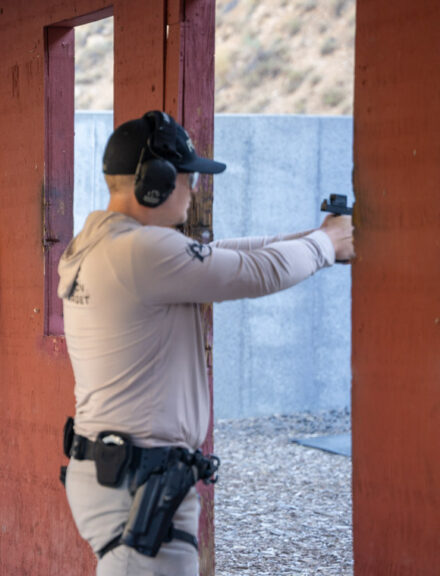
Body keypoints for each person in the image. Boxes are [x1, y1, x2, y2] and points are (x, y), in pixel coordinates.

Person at [58, 111, 354, 575]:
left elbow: (224, 255)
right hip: (138, 484)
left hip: (124, 473)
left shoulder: (104, 244)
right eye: (186, 176)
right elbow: (257, 271)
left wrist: (321, 236)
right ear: (154, 181)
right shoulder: (139, 251)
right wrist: (325, 245)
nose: (193, 187)